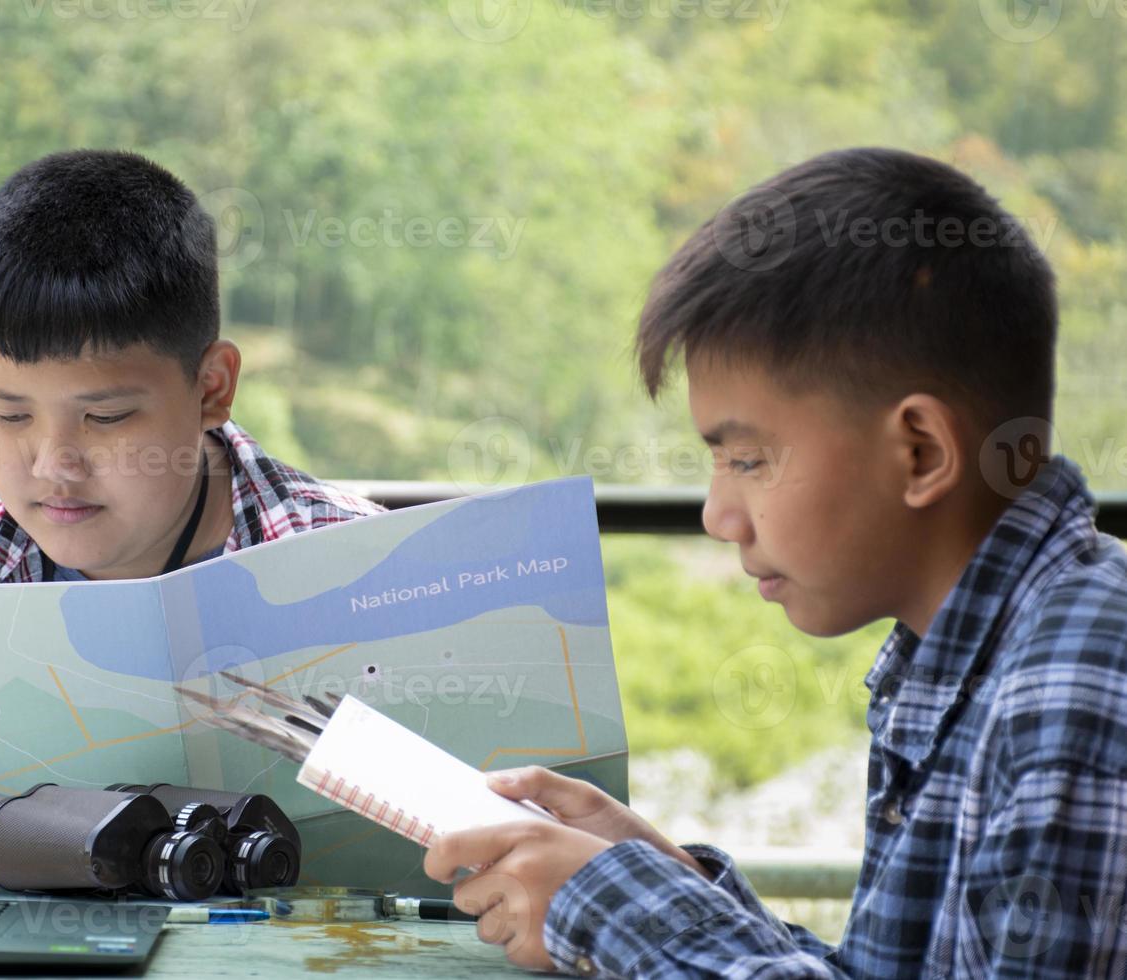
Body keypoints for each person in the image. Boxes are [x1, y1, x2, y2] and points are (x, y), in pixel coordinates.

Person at [425, 147, 1127, 977]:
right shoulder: (971, 653)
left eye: (749, 460)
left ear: (920, 452)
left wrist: (605, 902)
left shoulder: (1080, 677)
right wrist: (659, 876)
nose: (717, 516)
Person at [0, 150, 381, 586]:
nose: (55, 464)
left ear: (211, 387)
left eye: (105, 417)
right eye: (9, 414)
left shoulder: (373, 576)